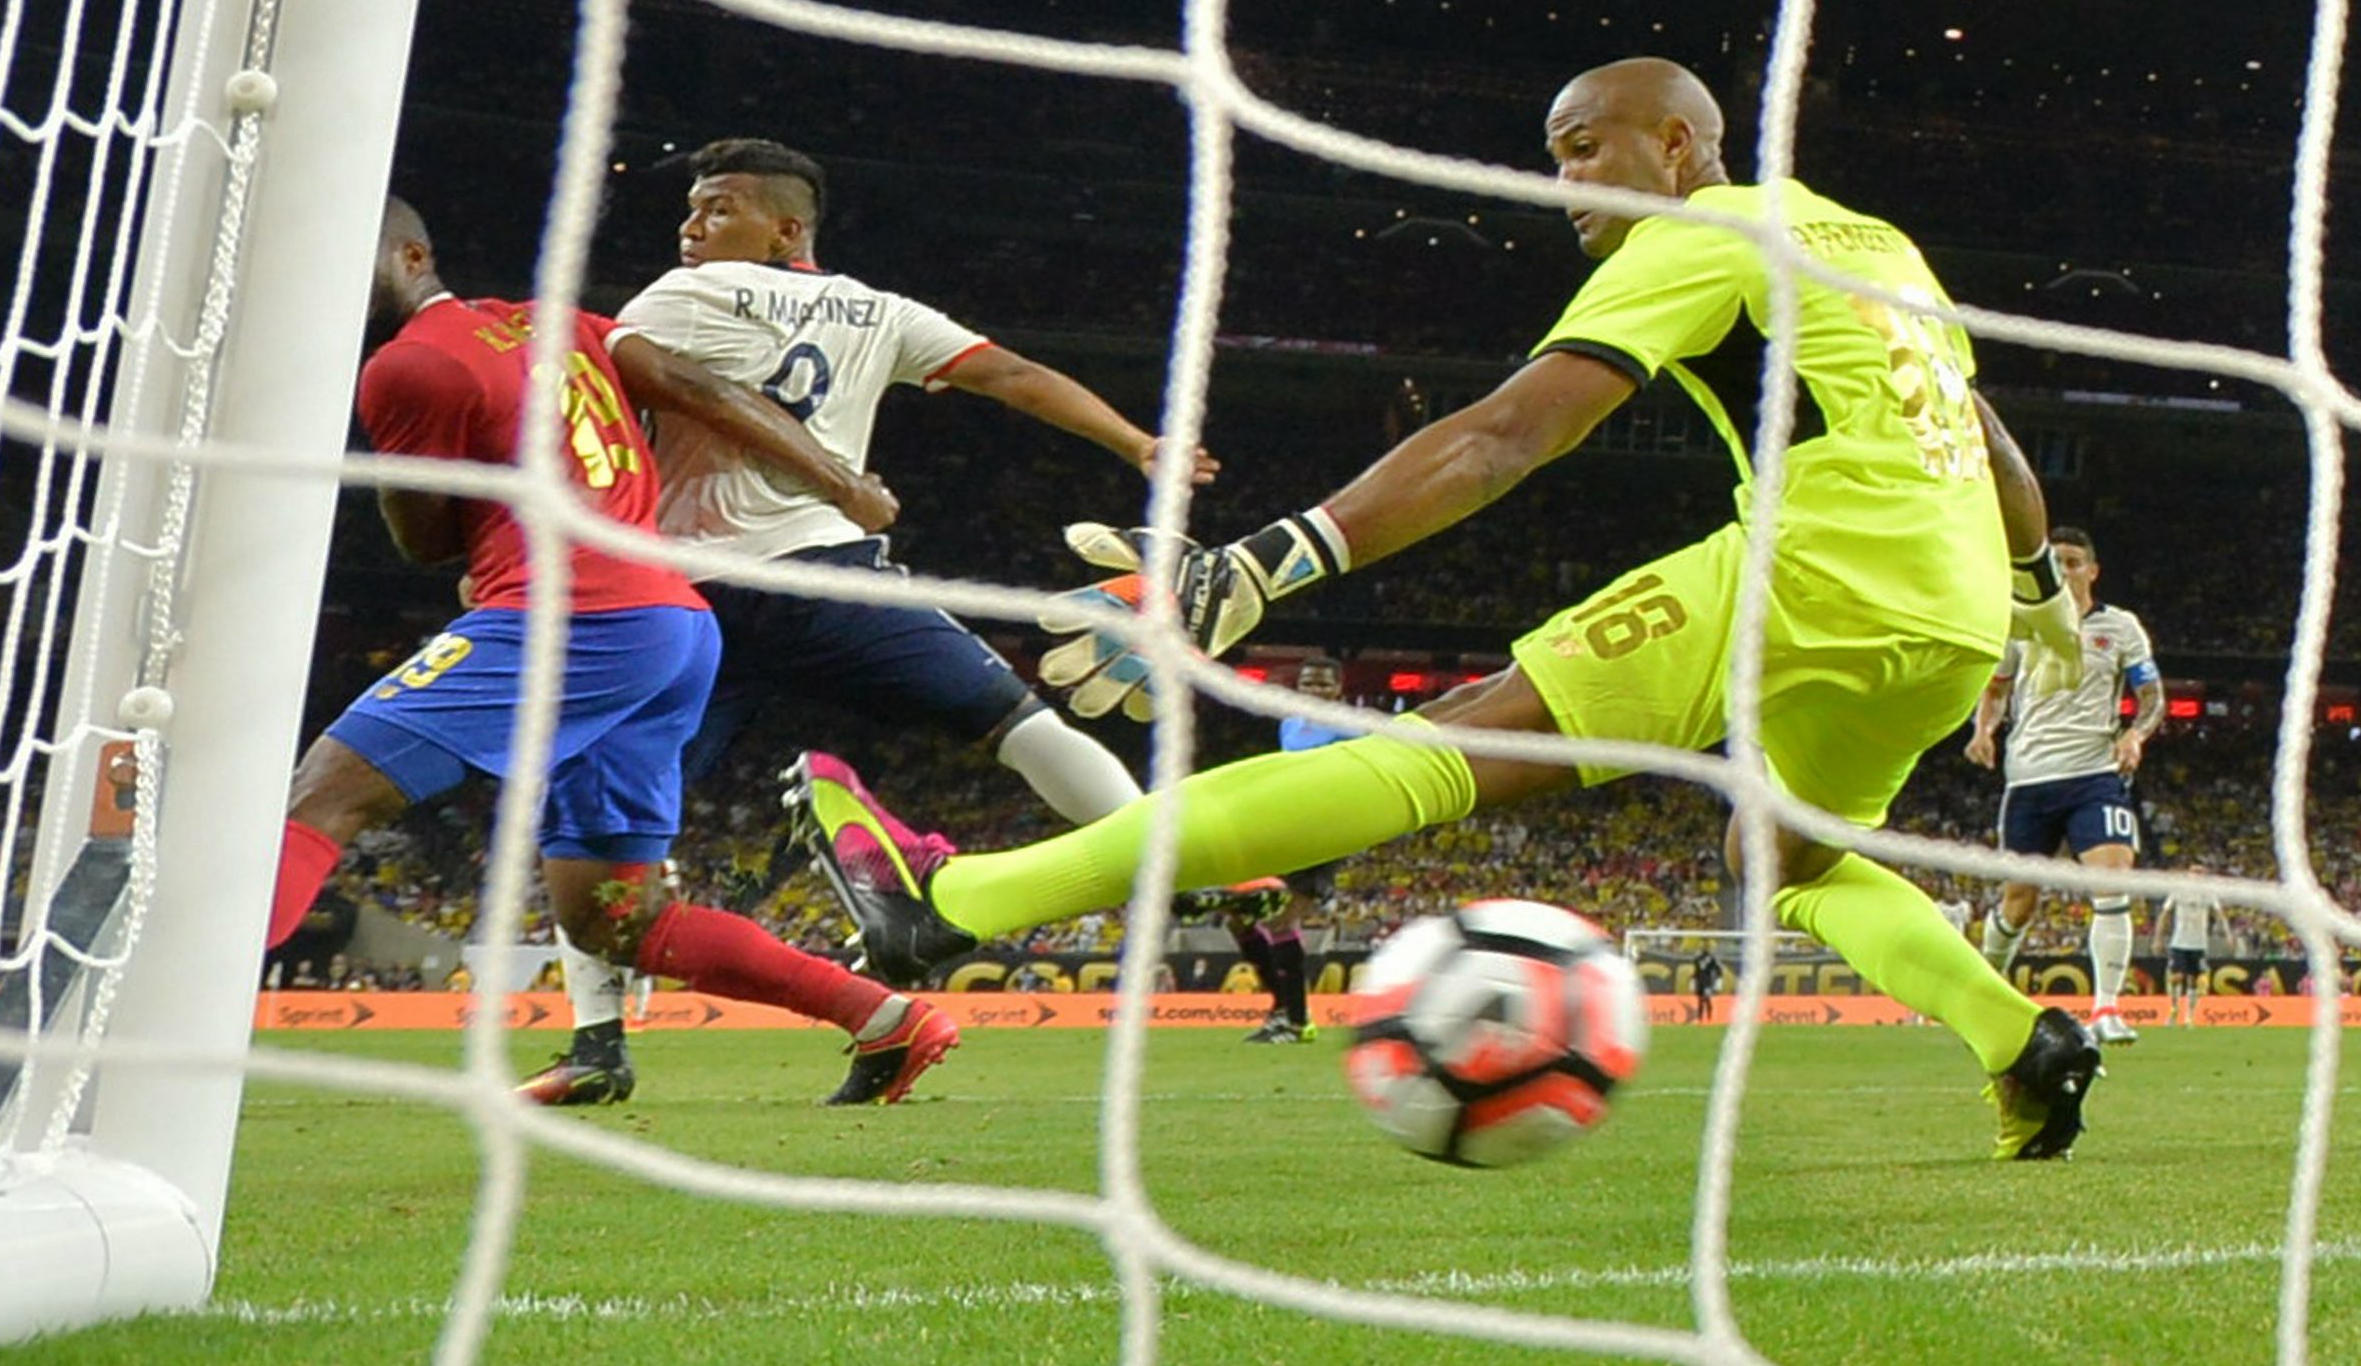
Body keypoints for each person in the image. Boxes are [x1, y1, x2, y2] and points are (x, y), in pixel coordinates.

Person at [794, 57, 2106, 1161]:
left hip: (1820, 559)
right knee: (1788, 860)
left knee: (1457, 743)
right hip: (1949, 613)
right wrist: (2038, 593)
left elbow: (1507, 437)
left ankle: (957, 904)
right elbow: (1987, 444)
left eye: (1587, 148)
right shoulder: (1877, 245)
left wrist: (1270, 560)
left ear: (1677, 142)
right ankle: (2022, 1040)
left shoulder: (1704, 226)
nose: (1566, 180)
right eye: (1553, 155)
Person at [524, 138, 1213, 1106]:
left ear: (785, 227)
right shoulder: (883, 312)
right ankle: (1182, 865)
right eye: (688, 209)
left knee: (595, 830)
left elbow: (663, 390)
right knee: (1018, 725)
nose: (689, 227)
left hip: (690, 602)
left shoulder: (675, 301)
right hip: (828, 579)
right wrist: (1135, 441)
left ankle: (598, 1046)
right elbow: (1010, 375)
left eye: (715, 208)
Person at [260, 199, 958, 1110]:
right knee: (613, 915)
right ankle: (883, 1018)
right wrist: (841, 482)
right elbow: (700, 391)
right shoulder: (562, 323)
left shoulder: (406, 368)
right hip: (671, 626)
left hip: (571, 617)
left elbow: (427, 541)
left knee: (325, 792)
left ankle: (146, 1032)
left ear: (412, 255)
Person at [1966, 526, 2162, 1046]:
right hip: (2029, 778)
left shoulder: (2119, 628)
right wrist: (1983, 730)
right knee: (2018, 901)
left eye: (2074, 561)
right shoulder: (2020, 626)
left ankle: (2106, 1010)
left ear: (2092, 570)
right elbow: (1995, 690)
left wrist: (2134, 735)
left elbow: (2152, 695)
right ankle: (1984, 994)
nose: (2065, 571)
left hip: (2094, 775)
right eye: (2056, 563)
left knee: (2112, 879)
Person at [1172, 655, 1357, 1043]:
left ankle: (1297, 1020)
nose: (1315, 691)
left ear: (1339, 690)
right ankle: (1280, 1009)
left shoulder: (1352, 728)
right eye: (1309, 684)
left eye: (1324, 684)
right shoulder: (1291, 723)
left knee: (1279, 920)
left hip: (1326, 831)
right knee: (1241, 918)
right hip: (1286, 828)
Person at [2153, 866, 2231, 1028]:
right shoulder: (2178, 891)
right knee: (2176, 977)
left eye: (2201, 873)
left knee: (2194, 980)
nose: (2197, 876)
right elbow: (2165, 914)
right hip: (2179, 942)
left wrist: (2228, 934)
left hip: (2199, 943)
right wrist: (2158, 938)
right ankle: (2174, 1009)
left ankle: (2189, 1016)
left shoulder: (2208, 893)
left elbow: (2219, 914)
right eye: (2195, 872)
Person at [1691, 947, 1723, 1023]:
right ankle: (1707, 1018)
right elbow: (1718, 969)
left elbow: (1696, 971)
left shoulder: (1698, 959)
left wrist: (1693, 980)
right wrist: (1719, 980)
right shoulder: (1711, 959)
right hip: (1706, 982)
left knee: (1702, 1000)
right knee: (1705, 1000)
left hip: (1701, 982)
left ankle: (1704, 1018)